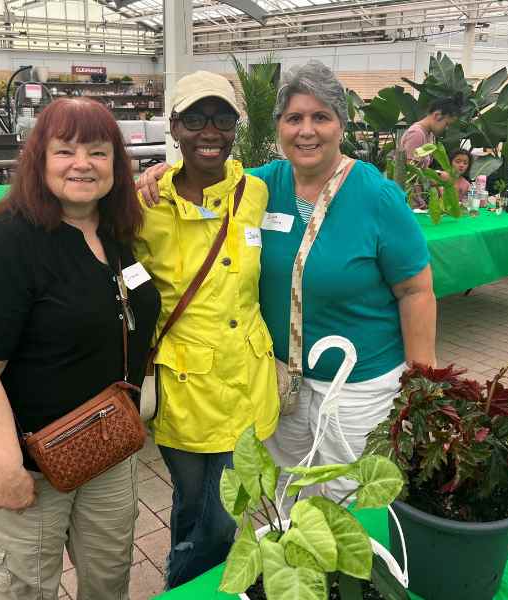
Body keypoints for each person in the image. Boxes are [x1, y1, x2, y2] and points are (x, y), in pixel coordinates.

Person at [137, 61, 436, 506]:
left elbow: (416, 291)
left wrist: (421, 381)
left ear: (341, 124)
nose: (307, 131)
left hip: (357, 385)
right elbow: (204, 185)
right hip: (281, 381)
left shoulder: (375, 195)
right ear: (278, 126)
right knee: (287, 493)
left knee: (345, 496)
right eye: (294, 118)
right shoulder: (260, 186)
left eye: (321, 117)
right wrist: (160, 175)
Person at [0, 97, 160, 600]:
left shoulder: (114, 231)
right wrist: (6, 469)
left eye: (98, 151)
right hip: (26, 458)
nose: (83, 163)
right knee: (27, 589)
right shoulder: (11, 240)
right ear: (39, 158)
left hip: (105, 445)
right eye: (65, 150)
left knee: (109, 578)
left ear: (117, 164)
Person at [133, 71, 279, 589]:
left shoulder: (258, 191)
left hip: (246, 379)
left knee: (225, 511)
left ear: (236, 126)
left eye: (221, 118)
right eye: (194, 118)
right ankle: (190, 579)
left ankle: (185, 580)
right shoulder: (145, 205)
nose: (208, 131)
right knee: (193, 502)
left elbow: (319, 171)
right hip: (185, 384)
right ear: (174, 127)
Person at [399, 95, 463, 208]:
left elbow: (421, 169)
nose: (447, 128)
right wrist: (438, 176)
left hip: (418, 199)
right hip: (408, 201)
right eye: (447, 124)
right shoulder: (417, 134)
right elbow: (409, 172)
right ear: (437, 115)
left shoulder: (429, 134)